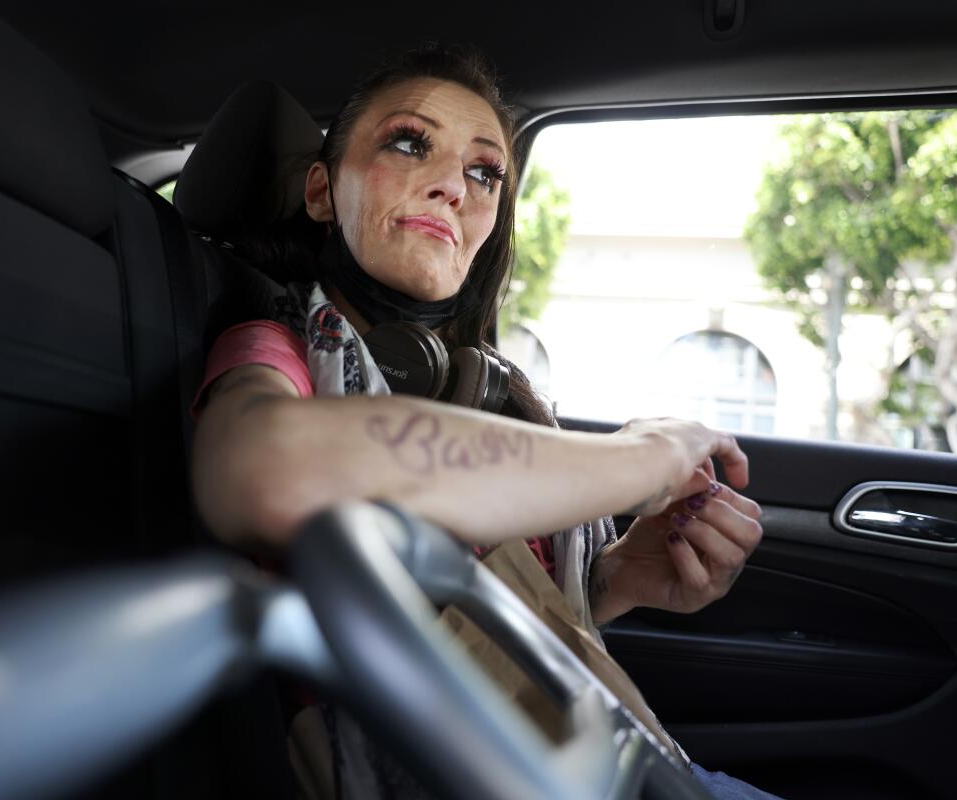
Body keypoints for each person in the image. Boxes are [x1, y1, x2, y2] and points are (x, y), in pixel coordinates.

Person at [192, 43, 778, 800]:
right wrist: (641, 457)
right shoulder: (277, 350)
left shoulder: (479, 386)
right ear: (321, 191)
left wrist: (616, 581)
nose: (452, 189)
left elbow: (471, 610)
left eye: (484, 172)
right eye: (410, 143)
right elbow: (262, 470)